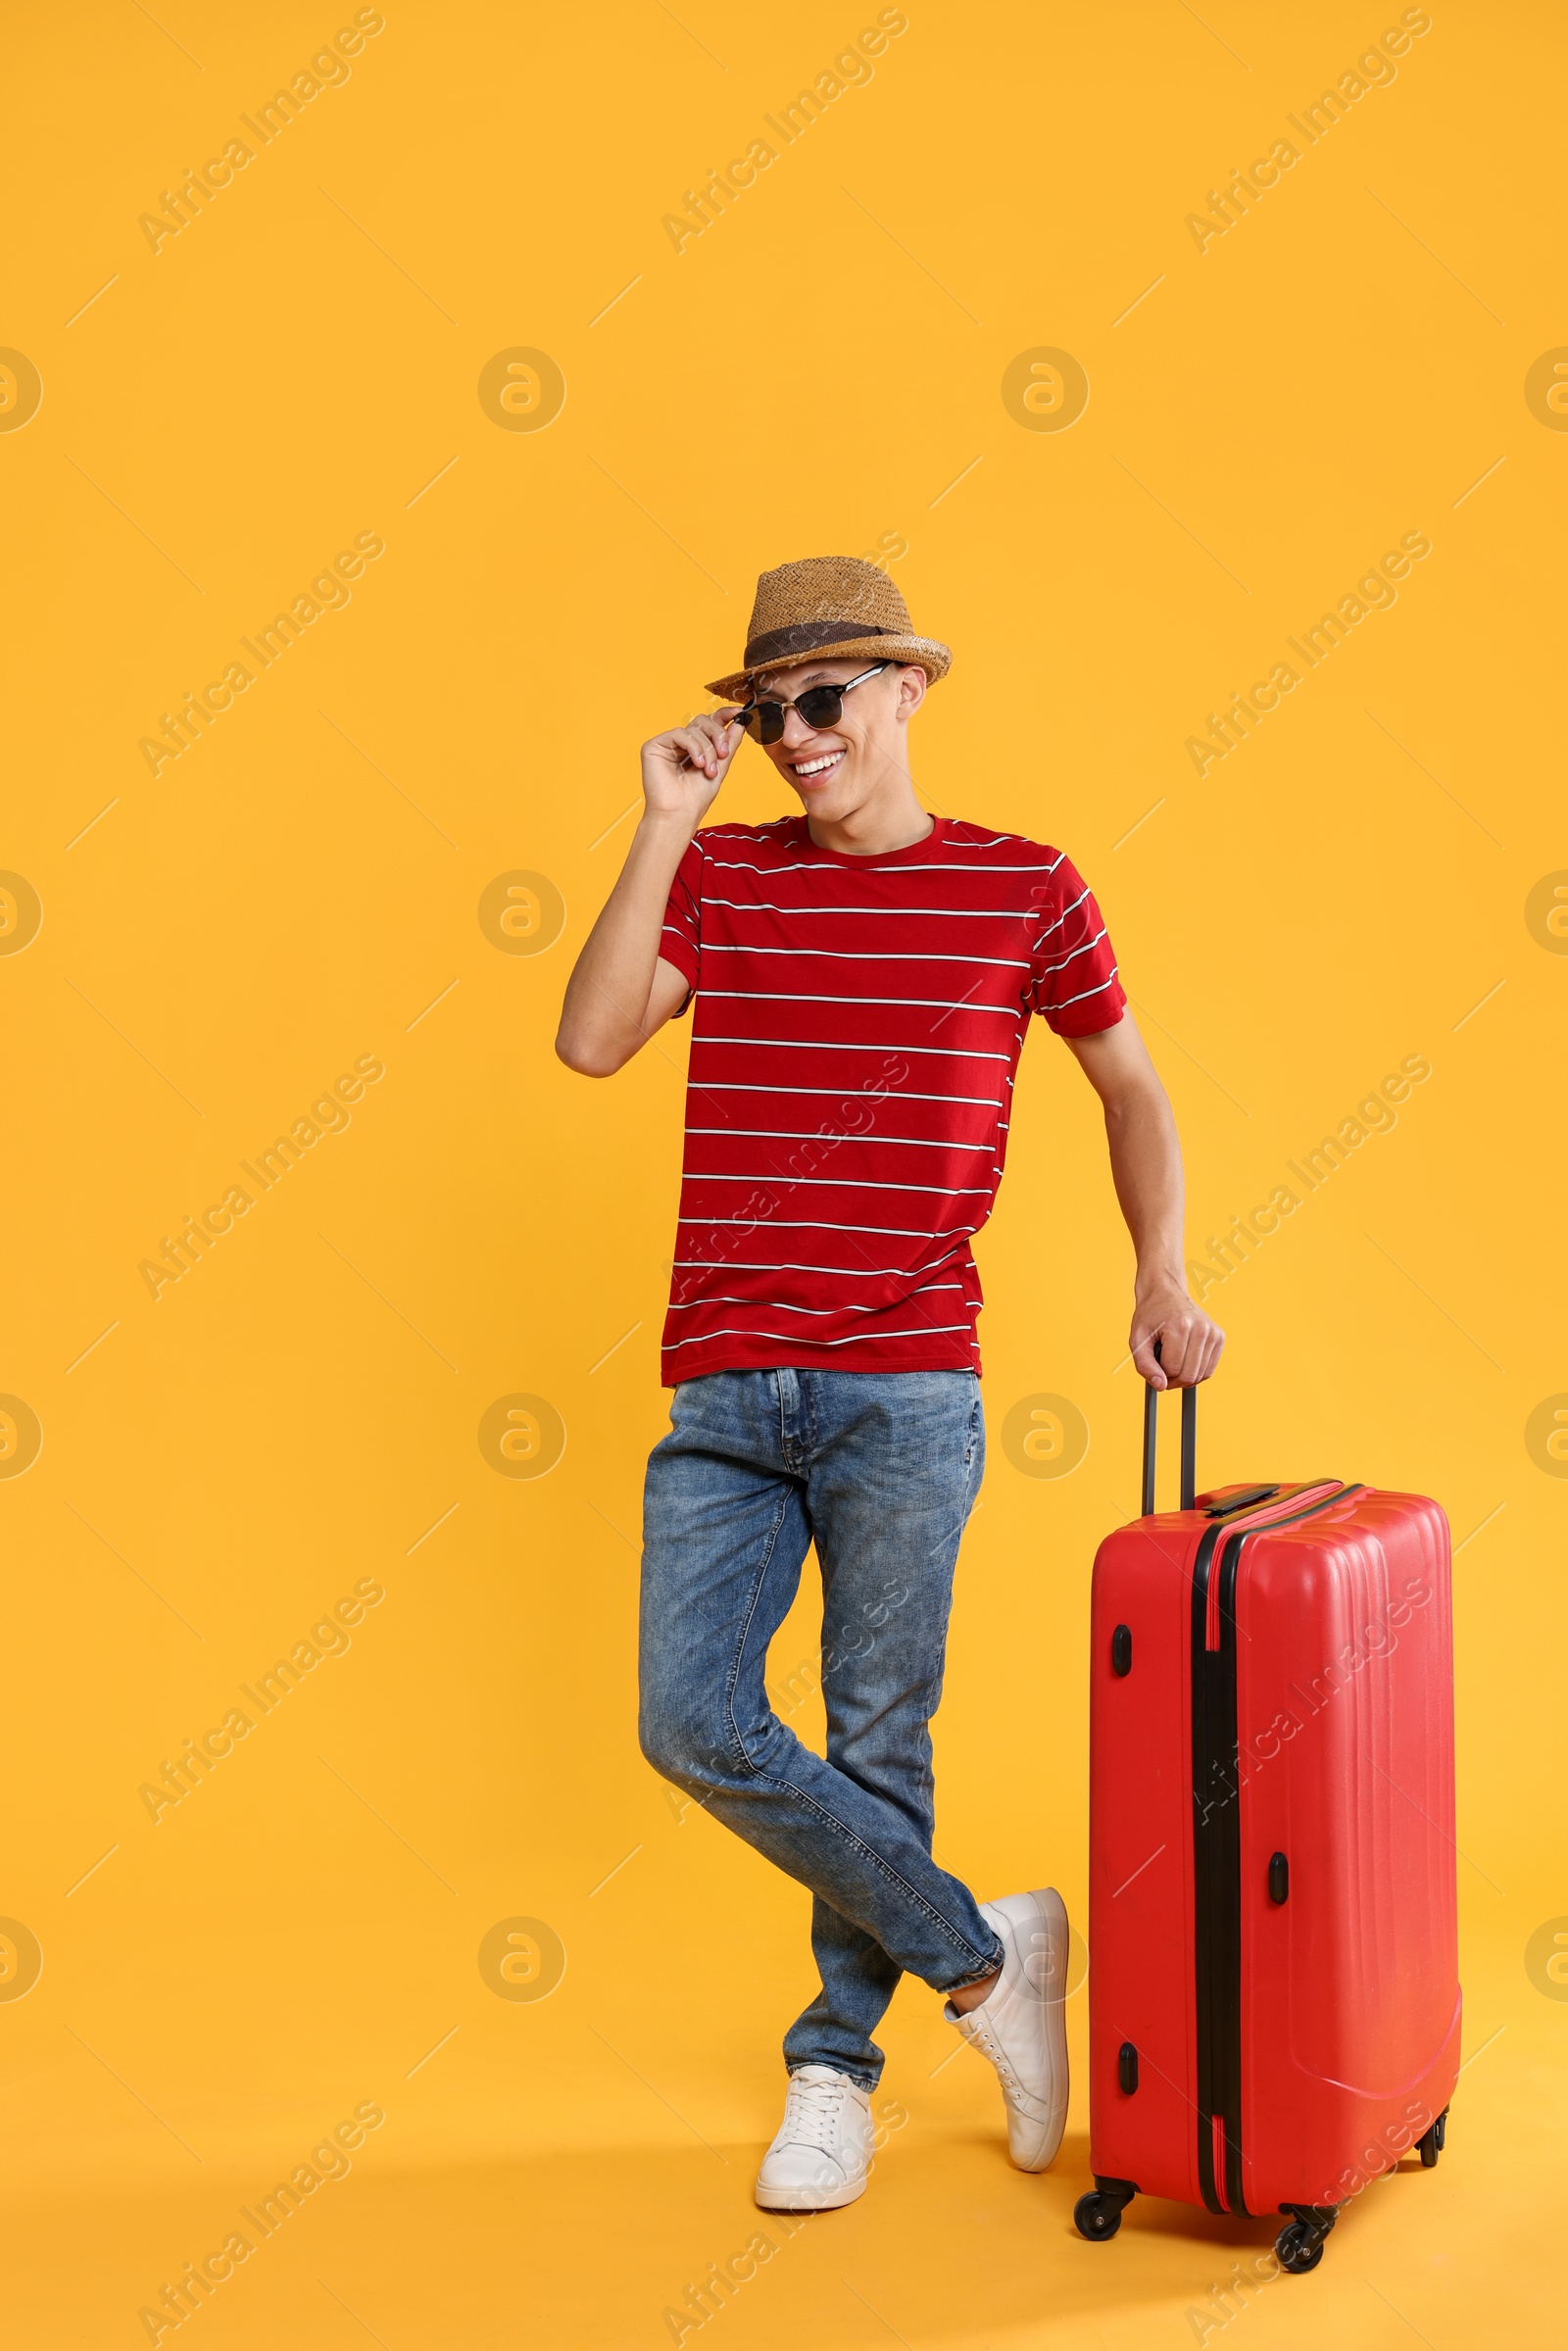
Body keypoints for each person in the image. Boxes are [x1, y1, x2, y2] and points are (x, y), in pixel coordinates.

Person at [556, 557, 1223, 2212]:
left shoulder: (1025, 888)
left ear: (909, 691)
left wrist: (1160, 1268)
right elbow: (588, 1041)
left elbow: (1130, 1086)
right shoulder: (722, 879)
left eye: (823, 699)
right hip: (726, 1378)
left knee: (874, 1734)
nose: (793, 735)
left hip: (908, 1380)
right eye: (769, 709)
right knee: (691, 1719)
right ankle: (987, 1962)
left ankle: (832, 2071)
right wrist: (657, 823)